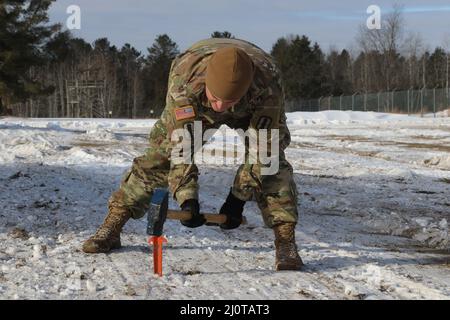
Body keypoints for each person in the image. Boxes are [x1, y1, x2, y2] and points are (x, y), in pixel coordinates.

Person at [82, 38, 303, 271]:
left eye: (229, 101)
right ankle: (112, 225)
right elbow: (181, 149)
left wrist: (237, 199)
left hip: (252, 101)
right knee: (161, 156)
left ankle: (286, 242)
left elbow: (264, 150)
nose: (220, 108)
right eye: (216, 98)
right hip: (197, 99)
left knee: (271, 163)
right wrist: (188, 200)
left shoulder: (268, 88)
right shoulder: (184, 85)